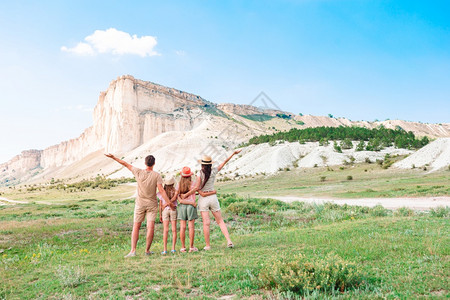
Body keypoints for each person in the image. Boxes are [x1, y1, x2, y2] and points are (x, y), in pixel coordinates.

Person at [104, 153, 171, 258]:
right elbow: (161, 190)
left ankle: (133, 251)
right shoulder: (157, 175)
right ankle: (147, 250)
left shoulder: (138, 172)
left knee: (136, 226)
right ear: (154, 163)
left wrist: (113, 157)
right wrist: (169, 203)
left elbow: (125, 164)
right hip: (152, 204)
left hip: (140, 204)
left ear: (145, 163)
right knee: (150, 227)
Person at [181, 150, 242, 250]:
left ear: (202, 164)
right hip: (213, 198)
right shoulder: (214, 171)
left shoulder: (199, 174)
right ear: (210, 164)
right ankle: (229, 241)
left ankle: (208, 245)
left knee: (206, 223)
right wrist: (233, 153)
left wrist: (186, 195)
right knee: (220, 221)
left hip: (203, 199)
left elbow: (197, 188)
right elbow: (225, 161)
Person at [173, 167, 215, 253]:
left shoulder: (178, 185)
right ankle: (191, 247)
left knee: (182, 227)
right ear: (190, 176)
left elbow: (178, 198)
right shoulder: (194, 184)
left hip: (182, 206)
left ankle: (183, 247)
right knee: (191, 227)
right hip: (191, 206)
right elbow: (199, 191)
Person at [158, 176, 178, 255]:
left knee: (165, 230)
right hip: (173, 210)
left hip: (165, 211)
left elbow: (160, 205)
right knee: (174, 230)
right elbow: (174, 199)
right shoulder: (175, 191)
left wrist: (160, 214)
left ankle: (165, 249)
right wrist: (169, 204)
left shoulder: (162, 192)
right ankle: (173, 248)